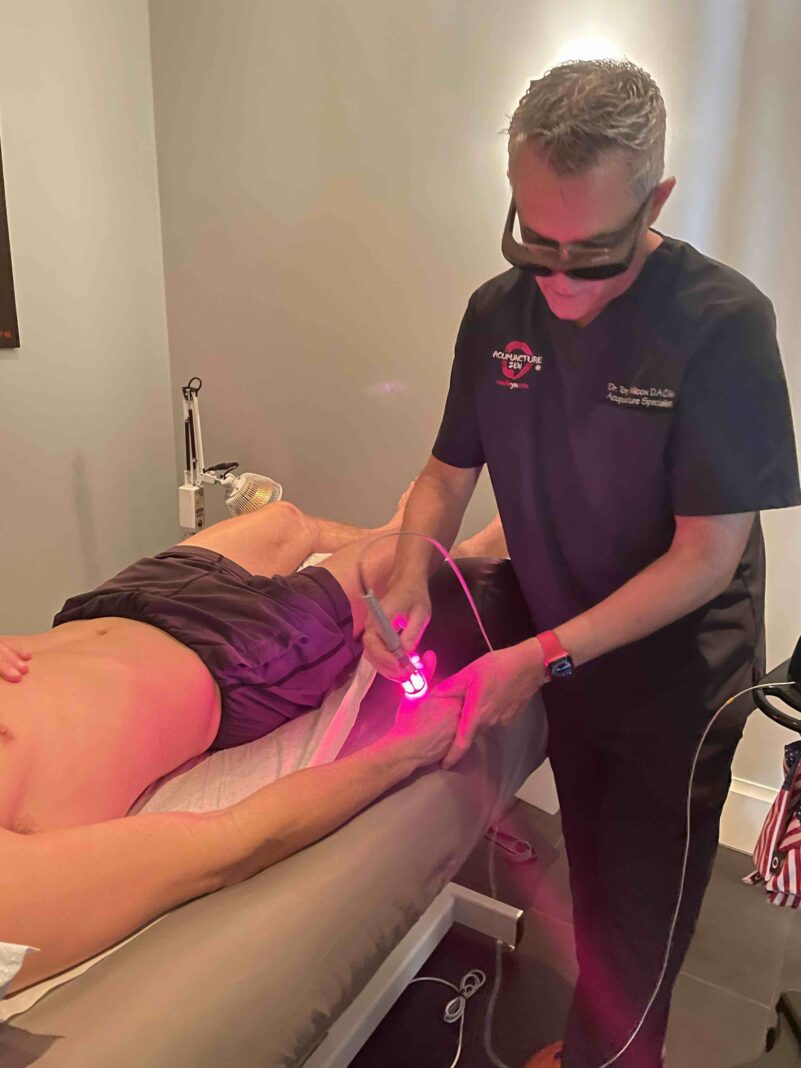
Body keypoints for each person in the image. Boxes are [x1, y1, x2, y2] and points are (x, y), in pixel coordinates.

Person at [364, 59, 801, 1068]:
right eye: (534, 242)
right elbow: (443, 476)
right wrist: (406, 568)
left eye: (592, 254)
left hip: (678, 681)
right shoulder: (497, 316)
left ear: (656, 201)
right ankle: (594, 1049)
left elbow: (705, 559)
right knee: (595, 874)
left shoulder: (721, 324)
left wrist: (538, 656)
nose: (558, 281)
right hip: (569, 651)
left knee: (639, 921)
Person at [0, 491, 505, 996]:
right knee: (404, 554)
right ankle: (475, 552)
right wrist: (407, 749)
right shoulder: (13, 900)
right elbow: (234, 840)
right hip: (237, 652)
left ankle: (402, 533)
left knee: (285, 521)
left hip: (111, 606)